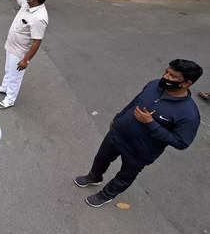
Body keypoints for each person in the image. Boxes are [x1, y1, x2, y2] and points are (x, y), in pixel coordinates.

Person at [74, 60, 203, 208]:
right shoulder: (154, 84)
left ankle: (106, 195)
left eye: (172, 76)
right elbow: (134, 102)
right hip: (118, 134)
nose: (166, 77)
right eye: (166, 72)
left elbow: (181, 142)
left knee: (124, 176)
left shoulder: (189, 114)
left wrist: (151, 123)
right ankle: (94, 177)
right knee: (101, 158)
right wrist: (118, 118)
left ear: (186, 83)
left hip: (140, 151)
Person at [0, 0, 48, 109]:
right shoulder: (28, 3)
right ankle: (4, 87)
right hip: (11, 45)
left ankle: (9, 99)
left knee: (15, 77)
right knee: (8, 70)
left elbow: (37, 42)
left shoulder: (39, 18)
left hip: (21, 52)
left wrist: (25, 60)